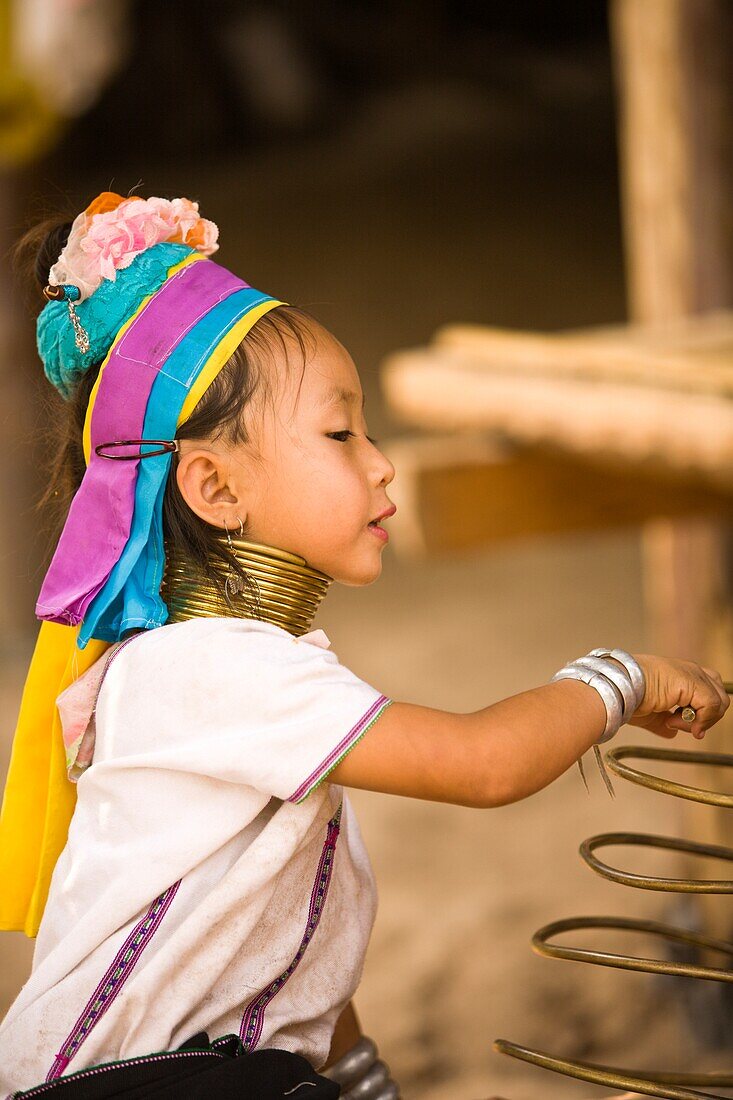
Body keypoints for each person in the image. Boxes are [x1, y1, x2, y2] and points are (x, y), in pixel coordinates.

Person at [0, 191, 728, 1100]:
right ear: (214, 488)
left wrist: (353, 1071)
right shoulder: (207, 667)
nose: (380, 462)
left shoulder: (250, 665)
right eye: (341, 433)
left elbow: (278, 908)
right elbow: (483, 764)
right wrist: (623, 677)